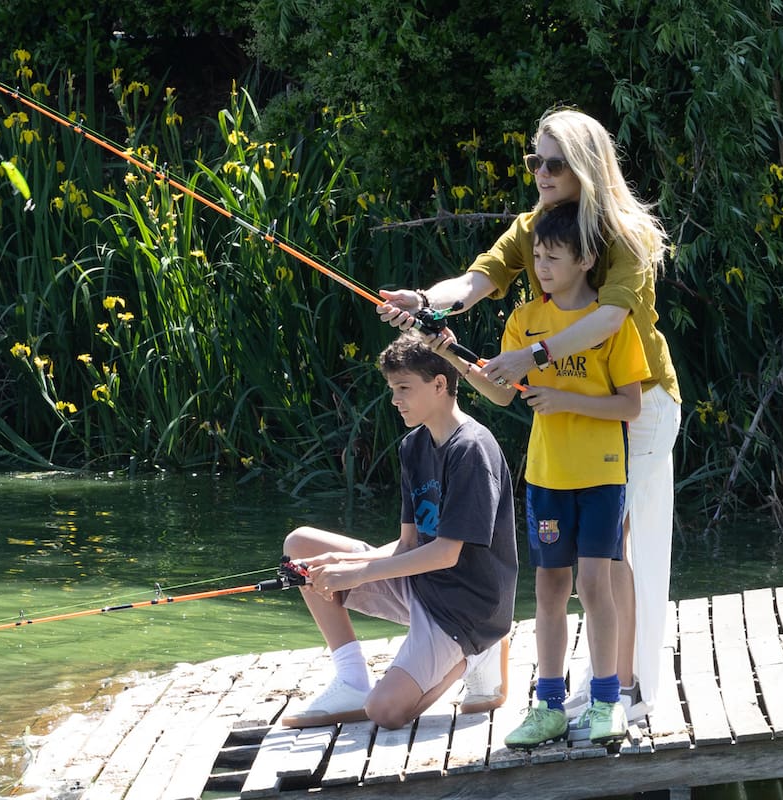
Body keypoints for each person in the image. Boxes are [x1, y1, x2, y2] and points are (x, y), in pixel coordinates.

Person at [379, 107, 681, 721]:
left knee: (623, 549)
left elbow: (607, 321)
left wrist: (530, 355)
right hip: (573, 413)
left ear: (585, 168)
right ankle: (609, 681)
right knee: (600, 554)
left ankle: (626, 686)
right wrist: (425, 302)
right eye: (533, 160)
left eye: (553, 162)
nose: (539, 172)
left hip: (639, 402)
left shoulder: (625, 238)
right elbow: (479, 279)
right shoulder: (536, 227)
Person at [432, 202, 649, 745]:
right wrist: (453, 357)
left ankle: (606, 700)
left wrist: (565, 399)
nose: (543, 266)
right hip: (547, 478)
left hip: (601, 477)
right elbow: (501, 393)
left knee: (595, 584)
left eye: (555, 256)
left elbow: (629, 408)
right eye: (538, 257)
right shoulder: (524, 318)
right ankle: (549, 703)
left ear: (587, 259)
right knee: (550, 586)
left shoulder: (610, 323)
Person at [279, 330, 518, 730]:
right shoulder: (413, 446)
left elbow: (446, 553)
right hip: (423, 588)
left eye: (404, 387)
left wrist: (354, 572)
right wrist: (339, 562)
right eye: (392, 389)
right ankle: (352, 680)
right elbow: (409, 543)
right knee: (300, 547)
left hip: (465, 610)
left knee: (384, 712)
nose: (394, 399)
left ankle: (479, 650)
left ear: (440, 384)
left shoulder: (471, 449)